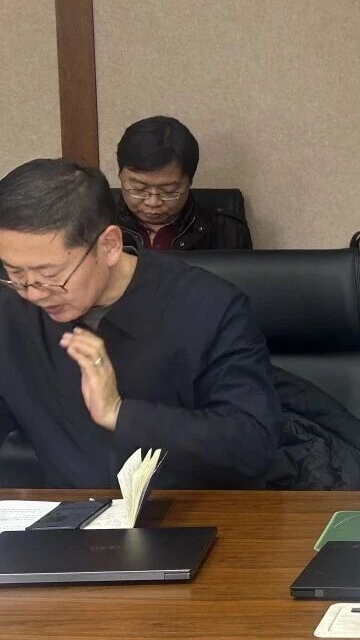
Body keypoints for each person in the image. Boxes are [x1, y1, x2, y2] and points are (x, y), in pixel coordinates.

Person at [0, 158, 279, 488]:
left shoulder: (209, 307)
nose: (33, 292)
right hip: (70, 513)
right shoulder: (11, 311)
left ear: (109, 245)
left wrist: (119, 414)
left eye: (49, 274)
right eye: (14, 273)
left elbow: (252, 445)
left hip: (192, 509)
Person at [115, 115, 252, 251]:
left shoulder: (229, 232)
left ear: (189, 181)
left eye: (168, 191)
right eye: (139, 189)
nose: (153, 202)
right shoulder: (102, 224)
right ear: (120, 176)